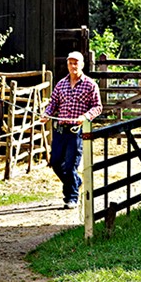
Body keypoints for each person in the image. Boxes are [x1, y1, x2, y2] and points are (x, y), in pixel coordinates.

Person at [40, 51, 103, 209]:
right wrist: (46, 114)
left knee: (70, 166)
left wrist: (86, 116)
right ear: (67, 64)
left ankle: (71, 197)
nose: (73, 66)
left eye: (76, 63)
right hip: (60, 130)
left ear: (82, 65)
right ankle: (76, 182)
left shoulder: (90, 85)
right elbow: (53, 104)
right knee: (55, 163)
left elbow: (98, 107)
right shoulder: (61, 84)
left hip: (76, 132)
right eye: (70, 63)